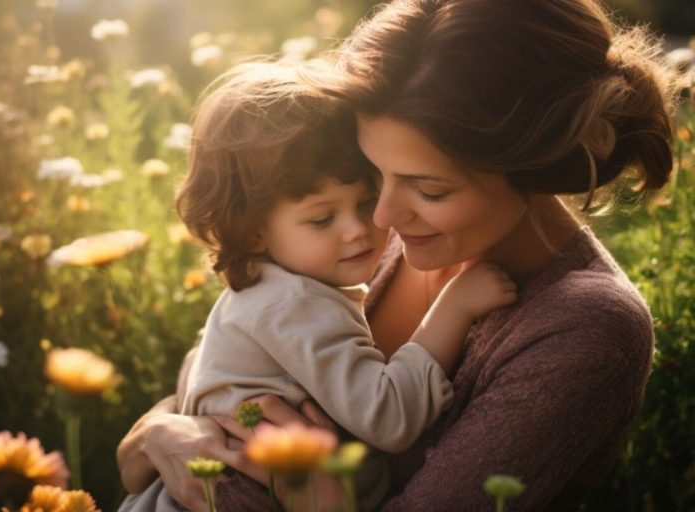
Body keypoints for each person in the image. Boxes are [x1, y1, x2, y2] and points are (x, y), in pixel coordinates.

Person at [117, 0, 678, 510]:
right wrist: (158, 435)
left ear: (534, 167)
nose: (381, 217)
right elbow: (217, 369)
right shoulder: (359, 236)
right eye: (374, 173)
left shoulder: (584, 328)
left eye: (428, 189)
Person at [118, 61, 516, 511]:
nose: (358, 229)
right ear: (252, 232)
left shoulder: (263, 289)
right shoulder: (294, 303)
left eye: (366, 201)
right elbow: (388, 417)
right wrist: (454, 307)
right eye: (322, 218)